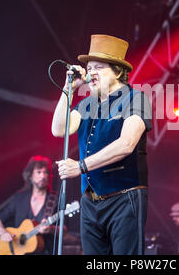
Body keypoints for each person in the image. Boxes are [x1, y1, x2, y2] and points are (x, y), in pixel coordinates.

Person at [52, 34, 152, 255]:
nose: (91, 72)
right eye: (89, 67)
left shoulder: (136, 99)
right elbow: (59, 129)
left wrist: (80, 166)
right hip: (90, 202)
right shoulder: (86, 104)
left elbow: (126, 144)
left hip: (124, 198)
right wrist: (69, 89)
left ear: (117, 71)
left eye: (99, 67)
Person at [0, 155, 60, 255]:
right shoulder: (19, 198)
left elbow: (65, 230)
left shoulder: (55, 199)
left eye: (45, 172)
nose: (43, 176)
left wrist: (50, 229)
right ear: (30, 176)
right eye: (39, 172)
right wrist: (3, 233)